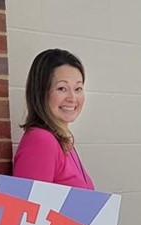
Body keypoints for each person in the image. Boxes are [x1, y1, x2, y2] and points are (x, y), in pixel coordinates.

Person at [12, 49, 94, 190]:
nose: (72, 98)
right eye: (62, 88)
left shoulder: (62, 140)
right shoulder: (41, 141)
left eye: (78, 88)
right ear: (41, 93)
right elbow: (30, 207)